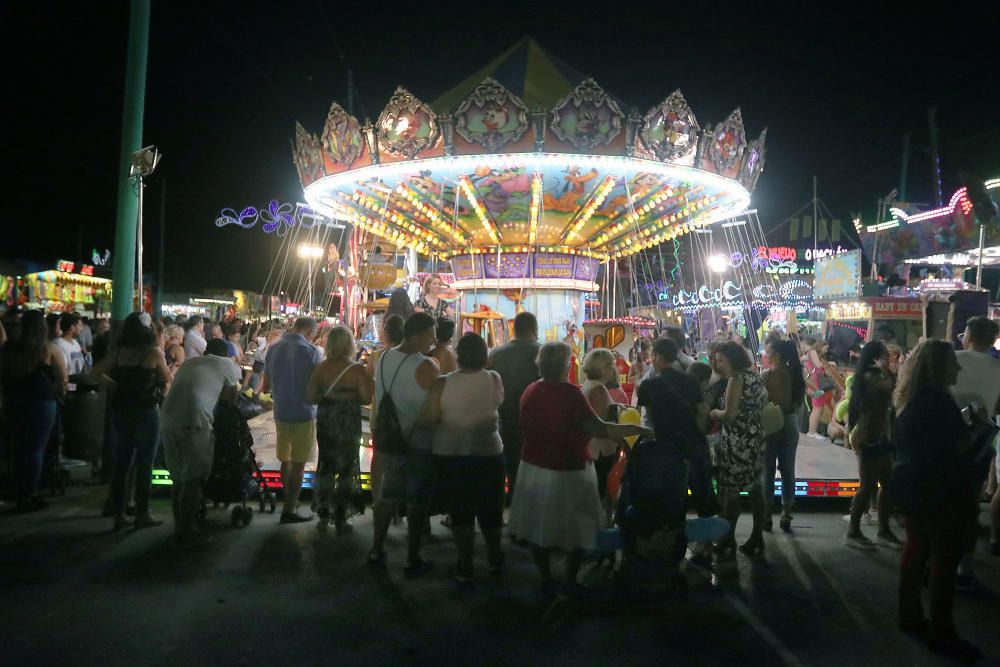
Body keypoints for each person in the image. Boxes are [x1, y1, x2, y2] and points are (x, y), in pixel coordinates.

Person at [509, 341, 652, 596]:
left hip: (533, 466)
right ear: (566, 365)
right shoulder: (570, 394)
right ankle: (571, 580)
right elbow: (601, 428)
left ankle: (545, 577)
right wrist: (638, 429)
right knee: (576, 526)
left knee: (538, 527)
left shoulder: (531, 390)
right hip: (568, 468)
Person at [893, 340, 983, 661]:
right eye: (952, 364)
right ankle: (943, 631)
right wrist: (978, 429)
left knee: (916, 547)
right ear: (936, 367)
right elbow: (956, 450)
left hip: (913, 487)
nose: (957, 369)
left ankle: (910, 614)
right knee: (944, 561)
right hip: (942, 490)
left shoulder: (909, 400)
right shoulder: (938, 401)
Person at [420, 332, 506, 583]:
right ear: (484, 355)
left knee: (461, 513)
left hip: (452, 454)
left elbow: (428, 418)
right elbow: (498, 402)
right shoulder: (494, 378)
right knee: (491, 510)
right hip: (489, 453)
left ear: (459, 354)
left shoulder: (442, 384)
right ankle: (494, 557)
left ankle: (465, 564)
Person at [368, 312, 440, 577]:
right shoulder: (428, 366)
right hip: (418, 441)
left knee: (387, 496)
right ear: (417, 335)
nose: (432, 342)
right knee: (416, 502)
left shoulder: (383, 357)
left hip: (389, 440)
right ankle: (412, 557)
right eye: (430, 336)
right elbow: (435, 406)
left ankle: (376, 548)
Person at [92, 313, 172, 531]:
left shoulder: (118, 353)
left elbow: (95, 372)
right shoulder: (153, 353)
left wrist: (113, 385)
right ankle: (142, 513)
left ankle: (119, 515)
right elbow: (167, 378)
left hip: (121, 411)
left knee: (122, 463)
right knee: (145, 463)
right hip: (147, 411)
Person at [160, 338, 241, 546]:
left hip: (168, 419)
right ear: (226, 355)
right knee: (193, 479)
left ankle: (179, 527)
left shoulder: (189, 362)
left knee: (178, 479)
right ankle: (188, 531)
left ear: (206, 351)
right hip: (196, 421)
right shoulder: (226, 364)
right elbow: (230, 398)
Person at [306, 326, 373, 534]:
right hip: (348, 419)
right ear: (349, 344)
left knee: (326, 464)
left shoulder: (320, 368)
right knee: (346, 467)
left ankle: (323, 512)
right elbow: (365, 398)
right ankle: (342, 516)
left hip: (327, 418)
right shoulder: (356, 370)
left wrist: (331, 395)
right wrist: (347, 396)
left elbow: (310, 397)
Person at [949, 316, 1000, 585]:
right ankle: (965, 565)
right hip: (980, 444)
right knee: (969, 505)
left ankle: (937, 559)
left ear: (968, 335)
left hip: (947, 440)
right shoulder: (998, 367)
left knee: (943, 502)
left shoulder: (953, 359)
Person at [639, 339, 713, 519]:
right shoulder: (690, 381)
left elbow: (648, 420)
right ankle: (707, 542)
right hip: (693, 444)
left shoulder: (648, 386)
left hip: (666, 447)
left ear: (657, 356)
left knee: (671, 497)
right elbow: (700, 412)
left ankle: (672, 537)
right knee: (702, 495)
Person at [0, 310, 66, 511]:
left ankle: (17, 488)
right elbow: (62, 378)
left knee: (18, 447)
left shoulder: (9, 349)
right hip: (42, 402)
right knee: (36, 449)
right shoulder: (48, 349)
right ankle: (30, 493)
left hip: (14, 401)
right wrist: (61, 394)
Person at [709, 341, 767, 559]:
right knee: (754, 488)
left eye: (721, 360)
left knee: (730, 492)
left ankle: (727, 538)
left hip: (736, 442)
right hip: (755, 440)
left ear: (732, 359)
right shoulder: (754, 376)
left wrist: (714, 413)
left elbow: (729, 415)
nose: (718, 364)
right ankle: (756, 535)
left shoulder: (736, 379)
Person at [263, 316, 322, 523]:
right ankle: (289, 508)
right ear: (310, 331)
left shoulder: (273, 349)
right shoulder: (312, 352)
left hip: (281, 412)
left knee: (285, 459)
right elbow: (318, 385)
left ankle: (290, 501)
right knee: (298, 463)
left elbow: (266, 385)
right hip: (303, 413)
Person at [844, 341, 901, 550]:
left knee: (886, 483)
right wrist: (892, 371)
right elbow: (895, 391)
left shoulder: (875, 377)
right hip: (868, 437)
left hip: (880, 436)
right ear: (876, 357)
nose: (890, 358)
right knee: (868, 485)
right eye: (886, 355)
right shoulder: (872, 378)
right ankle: (853, 531)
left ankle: (883, 530)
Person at [489, 312, 541, 496]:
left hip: (506, 415)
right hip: (535, 417)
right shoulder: (540, 352)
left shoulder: (497, 354)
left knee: (511, 460)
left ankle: (511, 495)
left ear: (514, 329)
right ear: (534, 329)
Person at [761, 340, 805, 533]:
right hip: (791, 422)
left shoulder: (767, 376)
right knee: (788, 470)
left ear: (776, 355)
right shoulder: (796, 375)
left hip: (772, 423)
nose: (765, 354)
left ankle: (767, 515)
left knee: (768, 470)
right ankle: (786, 513)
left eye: (768, 351)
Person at [580, 349, 625, 523]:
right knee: (602, 490)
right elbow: (600, 424)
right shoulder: (598, 389)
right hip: (599, 450)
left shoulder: (589, 385)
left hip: (596, 448)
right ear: (605, 368)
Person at [365, 314, 405, 505]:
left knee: (378, 458)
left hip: (380, 412)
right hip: (402, 413)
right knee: (399, 458)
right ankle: (396, 501)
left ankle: (376, 499)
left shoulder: (376, 356)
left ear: (386, 333)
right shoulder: (407, 356)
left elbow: (367, 385)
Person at [801, 337, 834, 437]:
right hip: (816, 384)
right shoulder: (813, 352)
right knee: (817, 408)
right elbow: (819, 366)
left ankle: (812, 431)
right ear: (820, 346)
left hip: (815, 383)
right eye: (825, 348)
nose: (826, 350)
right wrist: (829, 364)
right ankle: (812, 432)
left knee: (817, 407)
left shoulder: (810, 353)